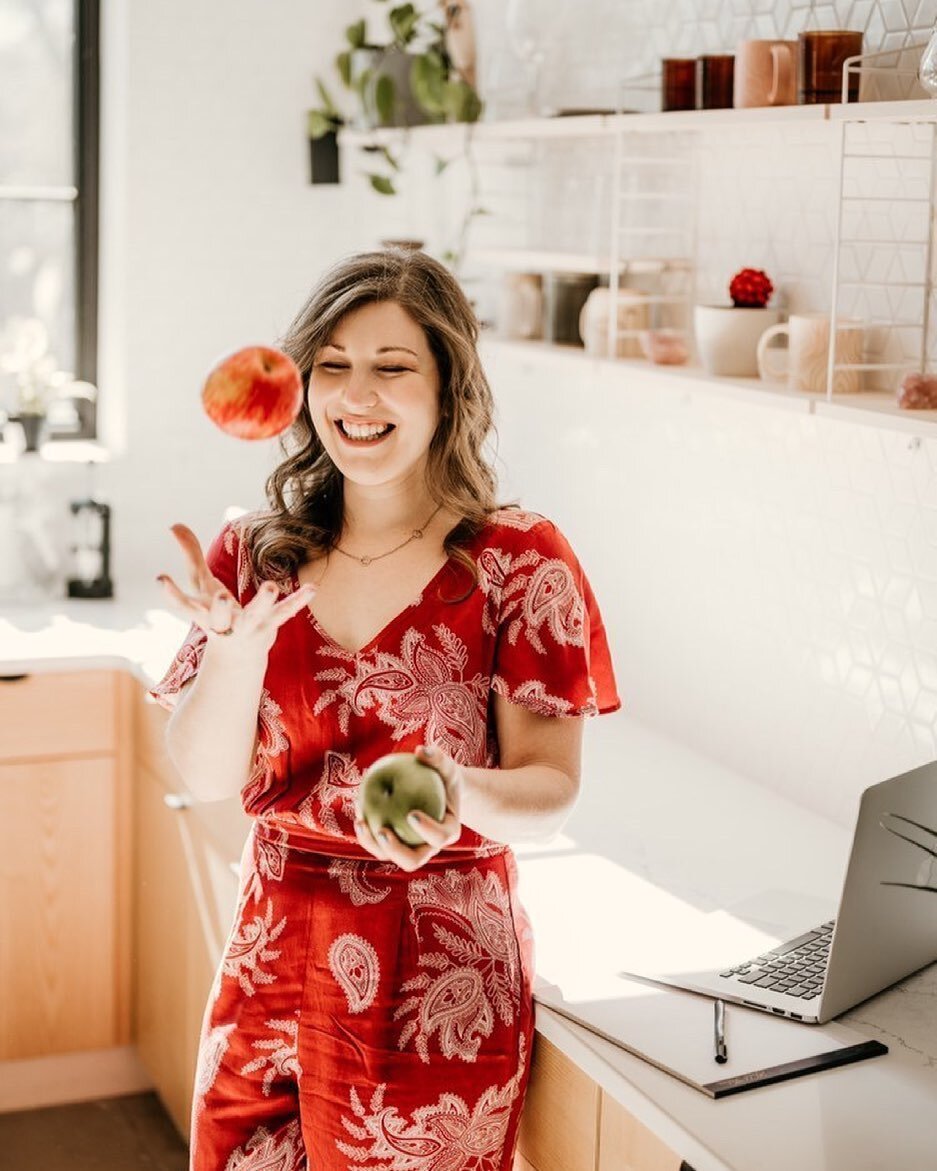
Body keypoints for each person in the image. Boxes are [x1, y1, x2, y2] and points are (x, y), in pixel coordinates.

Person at [152, 247, 620, 1171]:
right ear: (297, 386)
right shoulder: (255, 553)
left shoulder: (520, 561)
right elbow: (206, 774)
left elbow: (551, 788)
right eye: (332, 365)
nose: (356, 396)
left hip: (435, 974)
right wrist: (238, 653)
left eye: (392, 368)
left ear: (449, 389)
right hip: (269, 950)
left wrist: (457, 789)